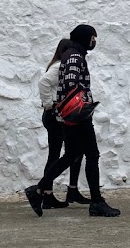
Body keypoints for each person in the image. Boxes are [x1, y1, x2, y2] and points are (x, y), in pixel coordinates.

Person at [25, 25, 120, 218]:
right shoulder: (75, 57)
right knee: (92, 154)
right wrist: (80, 106)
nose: (94, 41)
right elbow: (71, 83)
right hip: (78, 115)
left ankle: (38, 190)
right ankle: (97, 202)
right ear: (86, 38)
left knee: (70, 155)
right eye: (93, 37)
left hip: (70, 115)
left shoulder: (70, 55)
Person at [37, 39, 87, 209]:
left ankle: (56, 193)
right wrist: (50, 104)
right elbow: (43, 82)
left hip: (55, 116)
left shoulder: (59, 65)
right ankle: (46, 194)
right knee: (63, 153)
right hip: (55, 116)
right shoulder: (59, 67)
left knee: (67, 152)